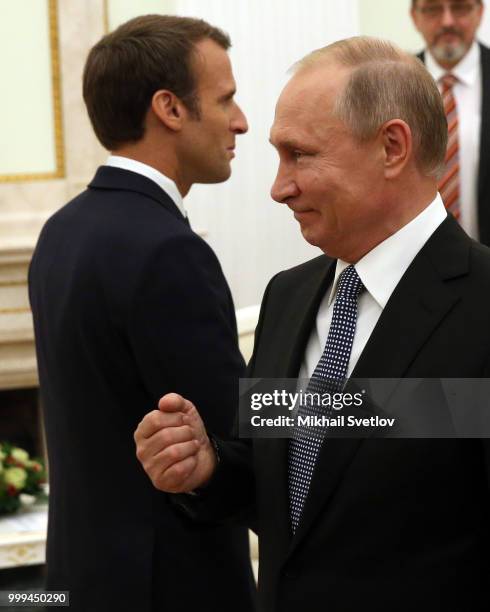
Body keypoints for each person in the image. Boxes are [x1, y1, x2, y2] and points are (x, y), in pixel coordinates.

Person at [134, 37, 490, 612]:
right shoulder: (290, 296)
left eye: (300, 155)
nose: (280, 188)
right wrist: (209, 467)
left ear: (392, 147)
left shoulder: (480, 306)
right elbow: (288, 490)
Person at [28, 14, 256, 612]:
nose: (241, 121)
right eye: (226, 98)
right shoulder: (168, 249)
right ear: (170, 109)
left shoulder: (60, 231)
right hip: (171, 584)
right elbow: (233, 433)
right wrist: (375, 408)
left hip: (81, 578)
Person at [411, 0, 490, 244]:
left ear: (480, 12)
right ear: (415, 16)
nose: (447, 21)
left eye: (460, 7)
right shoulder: (390, 84)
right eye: (433, 9)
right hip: (415, 266)